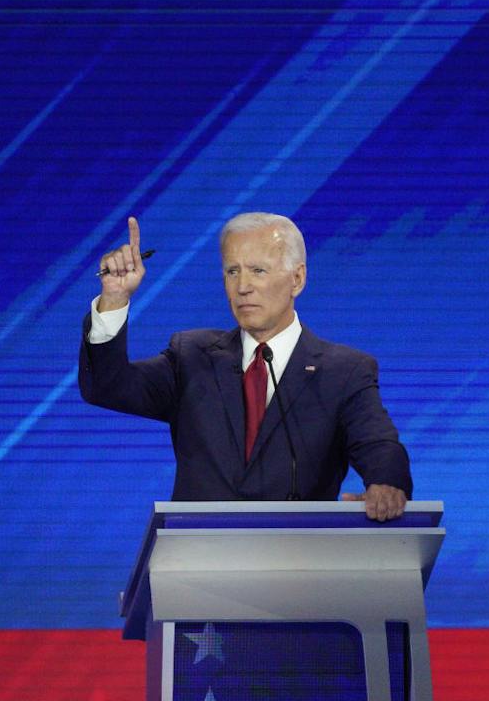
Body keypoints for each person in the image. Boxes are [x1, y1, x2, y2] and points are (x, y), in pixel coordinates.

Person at [79, 213, 411, 519]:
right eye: (232, 271)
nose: (242, 287)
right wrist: (115, 298)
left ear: (297, 279)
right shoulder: (192, 357)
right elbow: (107, 386)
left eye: (258, 270)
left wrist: (386, 484)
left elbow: (379, 445)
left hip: (297, 565)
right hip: (197, 564)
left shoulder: (344, 372)